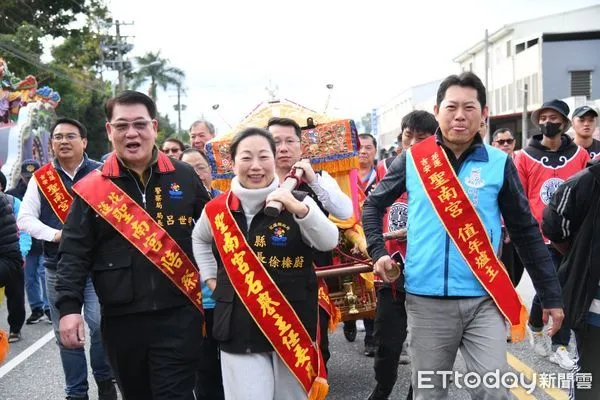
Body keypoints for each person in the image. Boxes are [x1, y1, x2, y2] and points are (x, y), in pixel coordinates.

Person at [363, 72, 565, 400]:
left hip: (483, 300)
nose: (460, 115)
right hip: (426, 303)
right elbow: (372, 206)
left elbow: (526, 232)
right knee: (431, 393)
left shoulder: (499, 163)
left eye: (469, 107)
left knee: (493, 391)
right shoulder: (415, 159)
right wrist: (377, 252)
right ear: (438, 109)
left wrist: (551, 296)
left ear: (483, 113)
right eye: (451, 107)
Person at [54, 91, 210, 400]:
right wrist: (69, 308)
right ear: (109, 131)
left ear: (154, 127)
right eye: (122, 125)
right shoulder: (93, 189)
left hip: (179, 315)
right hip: (121, 321)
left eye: (140, 124)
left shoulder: (184, 176)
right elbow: (73, 252)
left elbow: (213, 235)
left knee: (174, 394)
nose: (132, 133)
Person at [192, 127, 338, 400]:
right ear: (232, 163)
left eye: (263, 157)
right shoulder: (217, 209)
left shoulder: (300, 200)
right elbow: (199, 239)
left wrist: (297, 208)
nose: (256, 166)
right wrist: (212, 278)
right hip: (237, 325)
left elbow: (329, 240)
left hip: (291, 325)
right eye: (246, 158)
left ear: (275, 160)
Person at [18, 118, 116, 400]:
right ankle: (76, 391)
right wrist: (57, 236)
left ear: (84, 142)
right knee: (67, 334)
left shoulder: (102, 173)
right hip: (57, 266)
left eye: (70, 136)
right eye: (57, 137)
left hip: (98, 267)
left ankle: (105, 379)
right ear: (51, 144)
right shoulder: (42, 178)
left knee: (100, 326)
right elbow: (25, 218)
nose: (63, 141)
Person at [267, 116, 353, 365]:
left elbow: (345, 212)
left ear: (301, 146)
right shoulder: (257, 180)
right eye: (276, 141)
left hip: (311, 274)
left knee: (315, 343)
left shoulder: (320, 177)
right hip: (269, 274)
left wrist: (313, 180)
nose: (283, 148)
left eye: (289, 141)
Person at [368, 110, 438, 400]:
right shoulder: (385, 169)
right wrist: (377, 249)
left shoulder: (442, 173)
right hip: (392, 267)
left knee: (426, 344)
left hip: (429, 270)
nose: (413, 144)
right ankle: (383, 387)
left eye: (421, 139)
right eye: (408, 136)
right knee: (387, 340)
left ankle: (415, 393)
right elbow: (371, 207)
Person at [514, 99, 588, 370]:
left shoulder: (579, 155)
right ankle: (557, 343)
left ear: (565, 124)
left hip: (573, 235)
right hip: (539, 235)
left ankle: (540, 328)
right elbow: (518, 198)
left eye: (554, 117)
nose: (548, 122)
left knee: (562, 287)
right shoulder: (523, 157)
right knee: (554, 285)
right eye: (543, 117)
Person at [542, 158, 600, 400]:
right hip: (595, 304)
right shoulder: (587, 181)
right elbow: (554, 226)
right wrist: (580, 257)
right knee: (591, 378)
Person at [180, 147, 224, 400]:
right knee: (204, 366)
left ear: (211, 171)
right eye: (188, 169)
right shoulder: (174, 211)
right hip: (193, 301)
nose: (196, 174)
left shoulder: (226, 203)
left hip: (227, 298)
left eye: (201, 168)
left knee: (232, 363)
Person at [343, 133, 377, 356]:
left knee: (373, 285)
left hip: (375, 235)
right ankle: (349, 319)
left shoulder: (383, 175)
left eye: (367, 147)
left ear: (375, 150)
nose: (363, 151)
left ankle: (372, 340)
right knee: (350, 282)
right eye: (359, 148)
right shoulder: (345, 177)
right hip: (348, 234)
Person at [5, 160, 49, 325]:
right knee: (30, 278)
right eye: (26, 177)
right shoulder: (13, 195)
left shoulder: (48, 191)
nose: (29, 180)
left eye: (33, 177)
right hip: (25, 243)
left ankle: (48, 308)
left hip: (45, 240)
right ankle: (36, 308)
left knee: (45, 275)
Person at [491, 128, 524, 288]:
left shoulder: (521, 161)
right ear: (493, 144)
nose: (505, 144)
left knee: (517, 270)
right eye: (501, 142)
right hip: (498, 228)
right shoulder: (489, 164)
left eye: (509, 141)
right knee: (503, 272)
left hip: (518, 225)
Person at [0, 192, 25, 345]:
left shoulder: (8, 202)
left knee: (15, 296)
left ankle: (15, 327)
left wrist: (24, 250)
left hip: (9, 260)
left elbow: (22, 232)